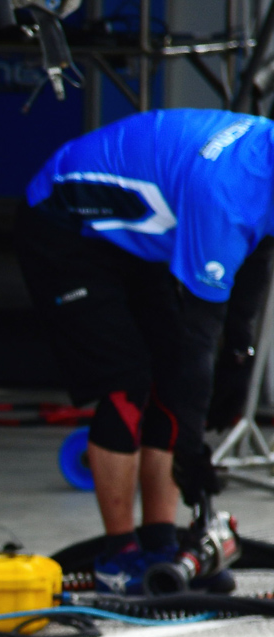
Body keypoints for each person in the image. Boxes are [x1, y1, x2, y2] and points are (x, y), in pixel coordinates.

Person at [18, 109, 274, 594]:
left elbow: (258, 252)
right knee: (128, 383)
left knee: (171, 376)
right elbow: (200, 336)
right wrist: (194, 451)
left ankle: (162, 544)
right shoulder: (227, 194)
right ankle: (117, 558)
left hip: (135, 241)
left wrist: (238, 359)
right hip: (63, 223)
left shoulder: (265, 154)